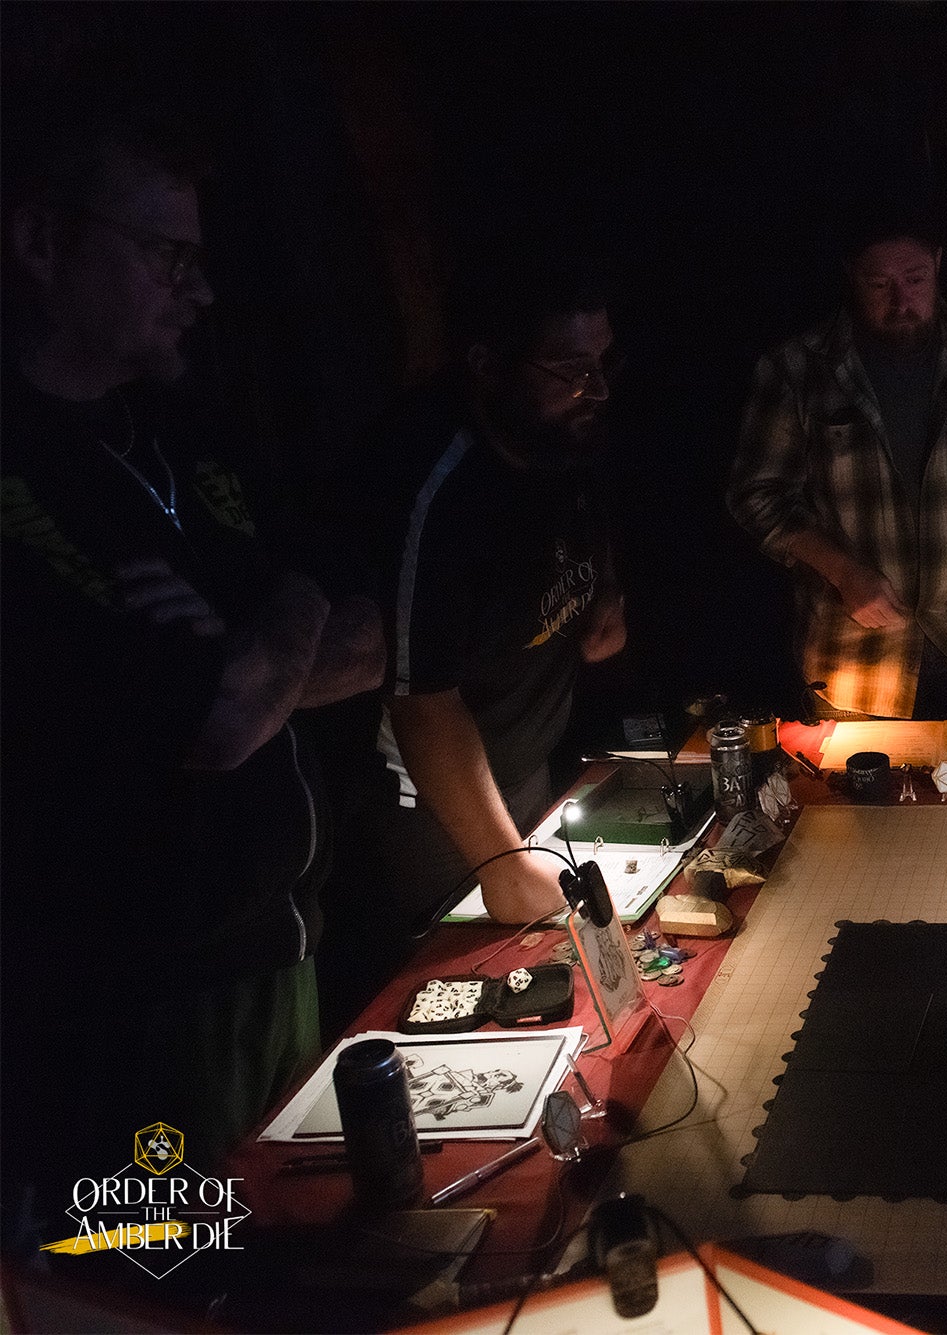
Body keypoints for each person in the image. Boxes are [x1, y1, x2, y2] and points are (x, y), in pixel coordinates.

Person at [0, 98, 383, 1227]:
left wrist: (260, 634)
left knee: (292, 1259)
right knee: (162, 1277)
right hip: (117, 1016)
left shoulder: (180, 426)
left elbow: (364, 625)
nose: (200, 290)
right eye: (169, 257)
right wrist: (256, 638)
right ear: (41, 241)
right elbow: (209, 722)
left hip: (280, 960)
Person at [314, 260, 627, 1034]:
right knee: (468, 1016)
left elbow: (583, 505)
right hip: (434, 814)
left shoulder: (555, 426)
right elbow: (422, 701)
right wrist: (499, 865)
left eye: (604, 360)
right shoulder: (431, 483)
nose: (598, 387)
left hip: (525, 767)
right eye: (572, 367)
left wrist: (605, 588)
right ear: (487, 363)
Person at [728, 211, 947, 719]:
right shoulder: (798, 369)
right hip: (856, 661)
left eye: (915, 279)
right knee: (860, 799)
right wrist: (846, 572)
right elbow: (756, 494)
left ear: (938, 264)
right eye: (879, 284)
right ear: (851, 275)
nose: (902, 302)